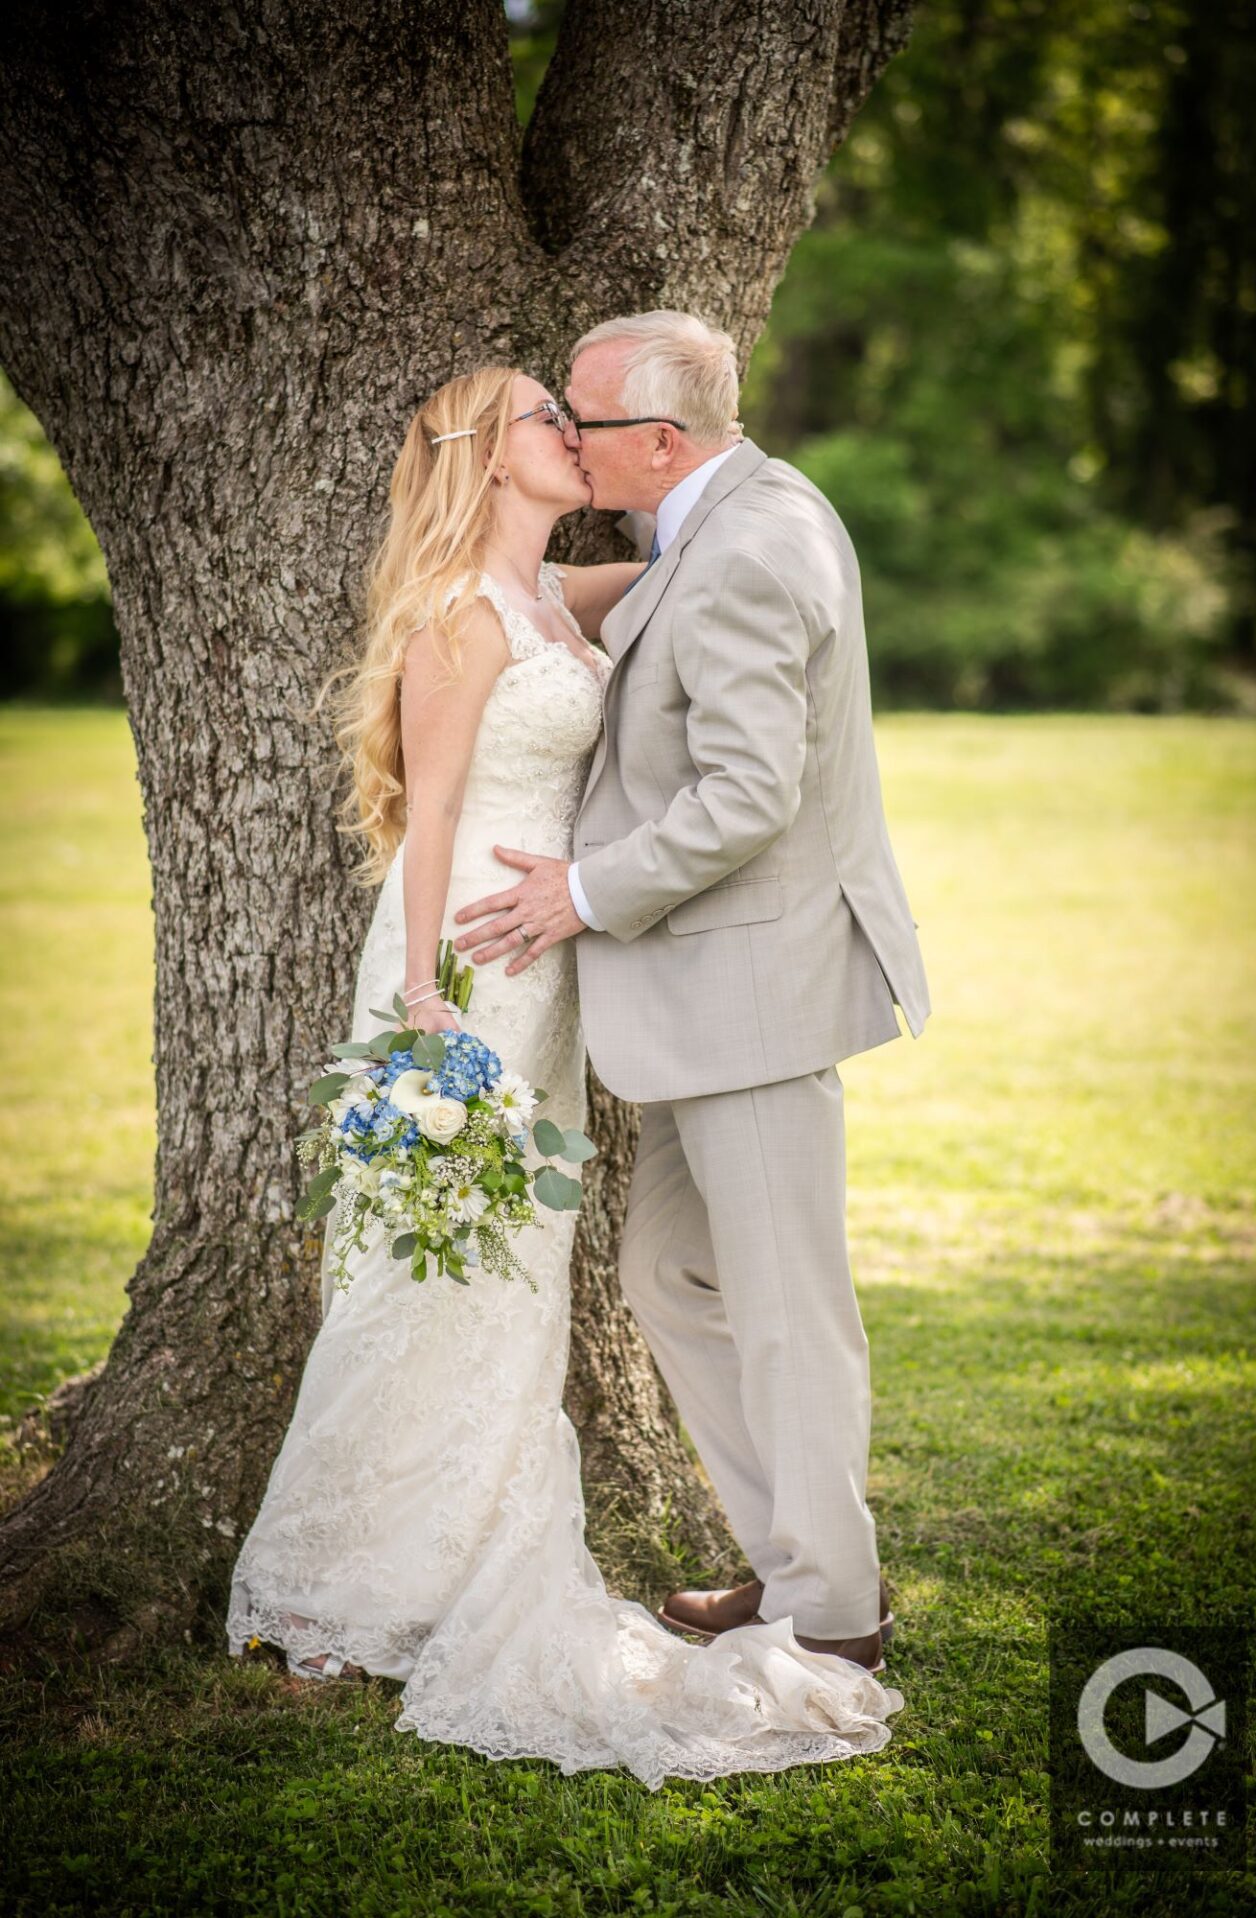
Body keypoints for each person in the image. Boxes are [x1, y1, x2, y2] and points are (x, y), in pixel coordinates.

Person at [226, 358, 905, 1789]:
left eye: (572, 410)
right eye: (543, 415)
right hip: (468, 956)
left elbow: (682, 569)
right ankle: (333, 1579)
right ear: (486, 454)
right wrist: (422, 1003)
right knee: (421, 1268)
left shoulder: (564, 592)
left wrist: (745, 486)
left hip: (553, 971)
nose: (566, 434)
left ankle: (461, 1542)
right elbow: (431, 820)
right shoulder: (457, 618)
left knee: (514, 1269)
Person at [452, 311, 931, 1675]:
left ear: (660, 440)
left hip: (755, 995)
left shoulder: (754, 551)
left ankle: (834, 1612)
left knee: (789, 1307)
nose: (568, 439)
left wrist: (580, 894)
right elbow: (653, 653)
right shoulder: (724, 519)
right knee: (670, 1275)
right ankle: (797, 1559)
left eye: (585, 423)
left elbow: (746, 795)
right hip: (700, 1005)